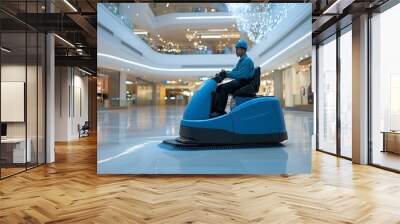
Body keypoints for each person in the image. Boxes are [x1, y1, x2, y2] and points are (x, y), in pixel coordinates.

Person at [210, 39, 255, 118]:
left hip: (244, 82)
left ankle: (220, 111)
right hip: (240, 81)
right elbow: (234, 71)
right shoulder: (242, 60)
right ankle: (215, 109)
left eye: (237, 49)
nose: (236, 51)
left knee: (224, 88)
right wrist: (224, 73)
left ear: (243, 50)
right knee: (219, 87)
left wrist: (226, 74)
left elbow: (240, 74)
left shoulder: (247, 61)